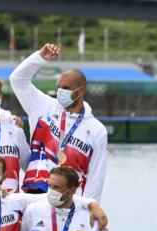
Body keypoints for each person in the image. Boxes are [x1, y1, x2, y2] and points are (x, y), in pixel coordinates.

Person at [9, 43, 108, 201]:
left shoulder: (97, 130)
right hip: (35, 195)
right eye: (58, 87)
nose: (60, 91)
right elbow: (17, 80)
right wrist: (40, 58)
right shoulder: (43, 106)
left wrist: (88, 211)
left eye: (66, 88)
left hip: (69, 202)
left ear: (81, 90)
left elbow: (95, 178)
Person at [20, 166, 114, 231]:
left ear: (72, 191)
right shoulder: (33, 211)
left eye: (56, 187)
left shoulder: (91, 217)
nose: (51, 191)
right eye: (49, 186)